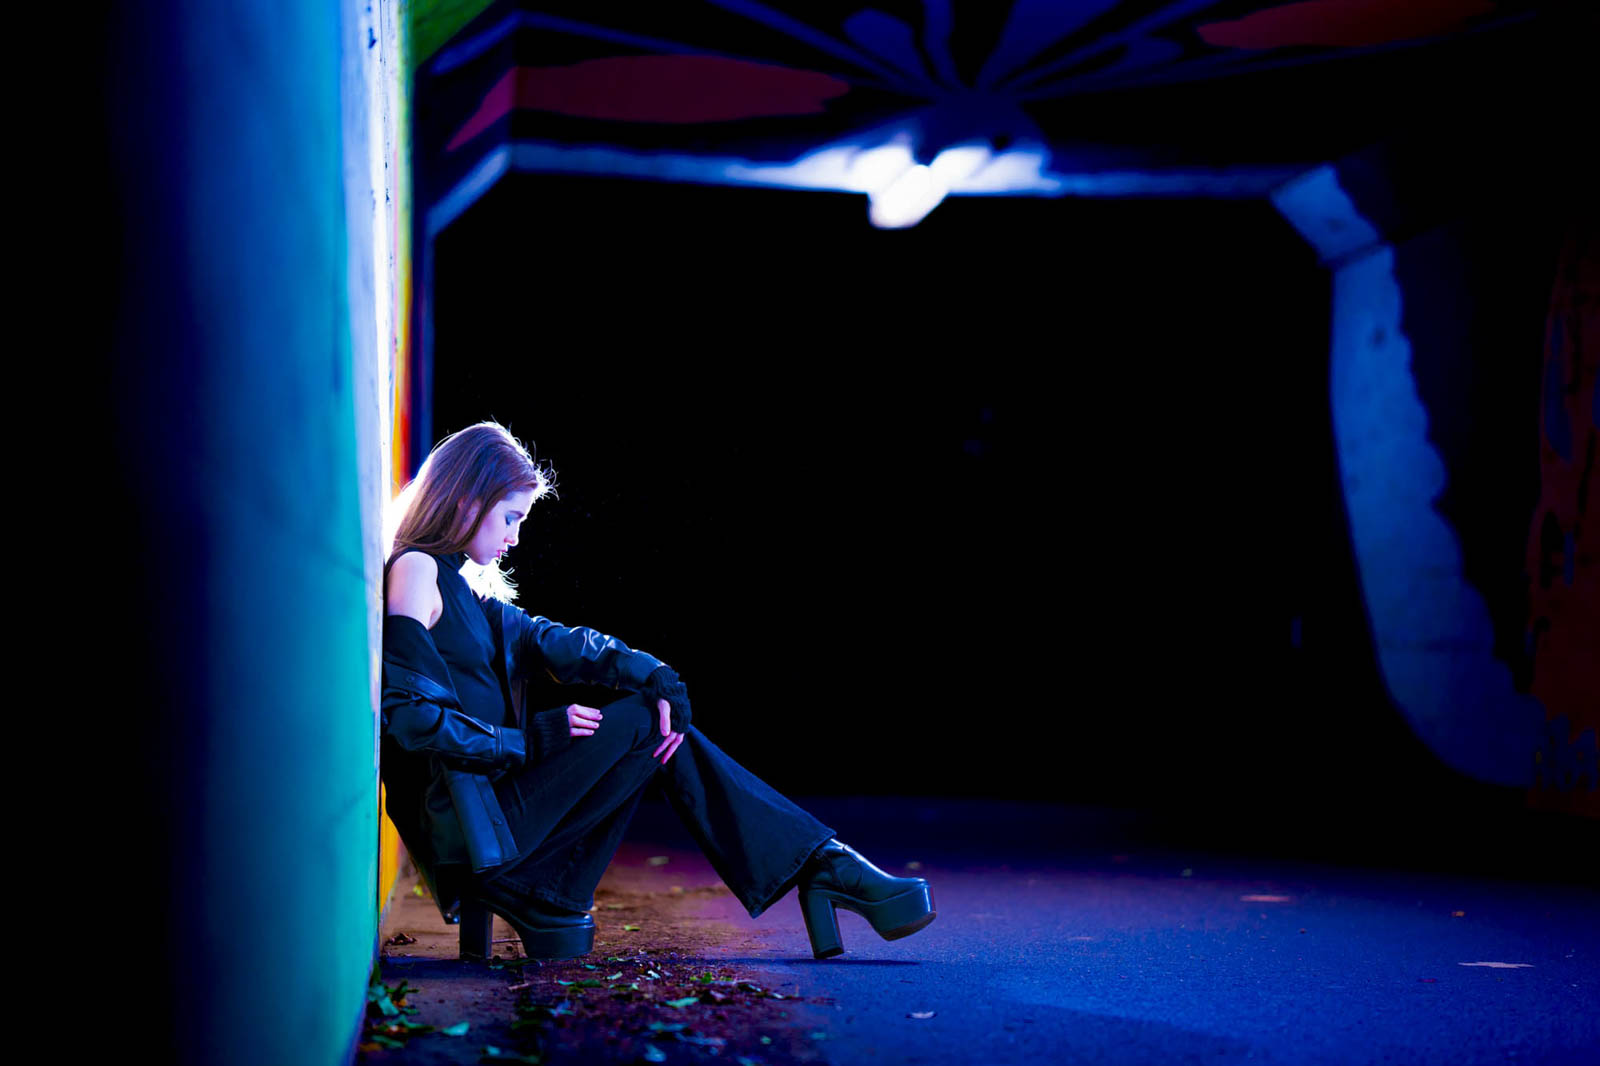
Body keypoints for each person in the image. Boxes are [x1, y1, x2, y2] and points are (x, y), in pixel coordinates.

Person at [380, 421, 936, 960]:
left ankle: (818, 864)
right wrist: (532, 739)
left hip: (493, 812)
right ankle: (826, 867)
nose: (515, 537)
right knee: (649, 721)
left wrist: (653, 672)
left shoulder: (467, 595)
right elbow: (411, 718)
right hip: (468, 824)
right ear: (466, 500)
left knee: (657, 717)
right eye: (510, 517)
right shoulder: (417, 570)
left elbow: (556, 642)